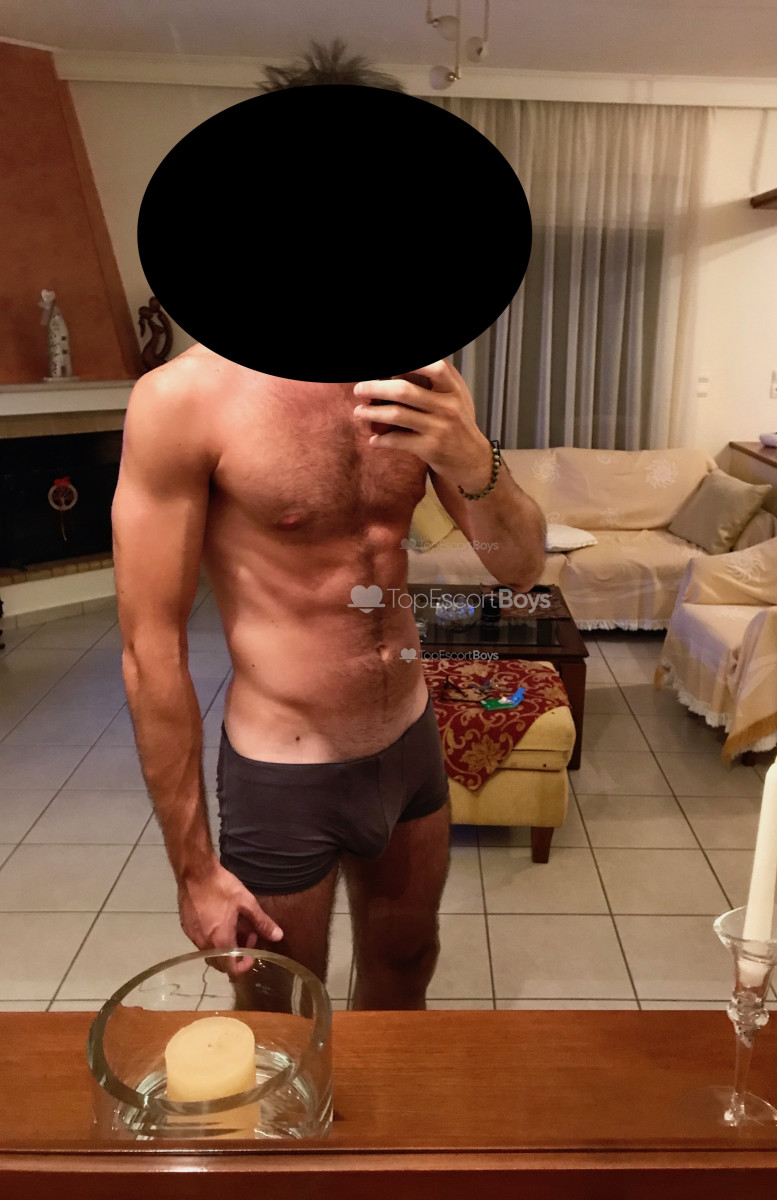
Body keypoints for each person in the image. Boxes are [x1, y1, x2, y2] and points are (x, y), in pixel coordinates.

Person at [112, 44, 546, 1010]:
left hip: (410, 741)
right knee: (278, 1014)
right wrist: (193, 868)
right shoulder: (185, 399)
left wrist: (474, 457)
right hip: (285, 766)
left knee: (406, 967)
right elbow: (150, 651)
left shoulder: (425, 374)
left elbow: (518, 567)